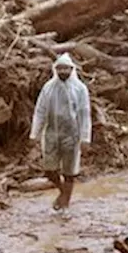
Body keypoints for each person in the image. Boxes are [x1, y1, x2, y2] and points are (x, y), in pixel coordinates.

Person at [31, 53, 93, 211]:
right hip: (52, 132)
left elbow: (84, 114)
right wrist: (34, 134)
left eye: (66, 68)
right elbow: (40, 111)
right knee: (50, 170)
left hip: (72, 135)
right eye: (60, 68)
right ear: (55, 69)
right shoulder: (49, 88)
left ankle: (65, 202)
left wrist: (85, 138)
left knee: (69, 171)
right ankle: (62, 192)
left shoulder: (79, 89)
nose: (63, 71)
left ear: (72, 69)